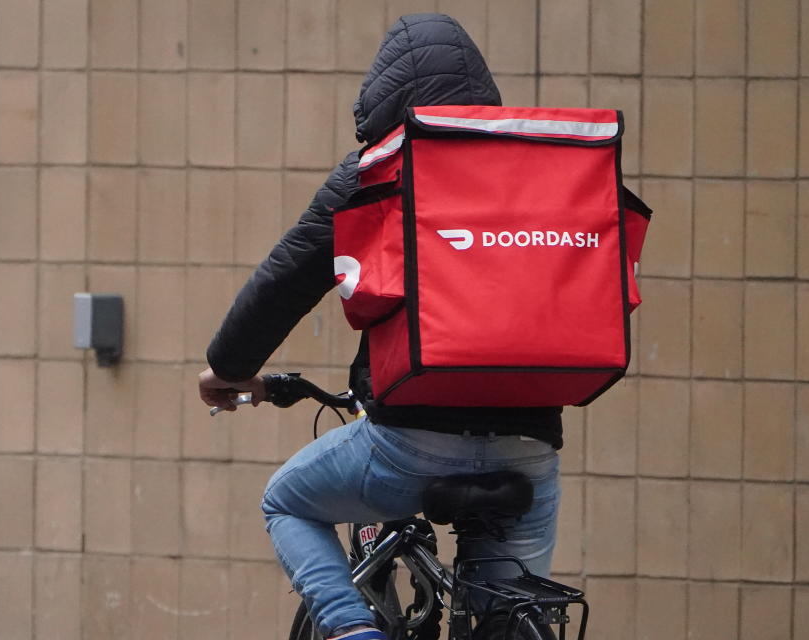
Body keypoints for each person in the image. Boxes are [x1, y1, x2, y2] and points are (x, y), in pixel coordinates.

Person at [199, 14, 563, 640]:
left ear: (382, 97)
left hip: (411, 440)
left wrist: (227, 369)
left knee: (286, 500)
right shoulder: (546, 168)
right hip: (529, 446)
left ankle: (350, 630)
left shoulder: (378, 170)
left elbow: (283, 282)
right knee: (502, 617)